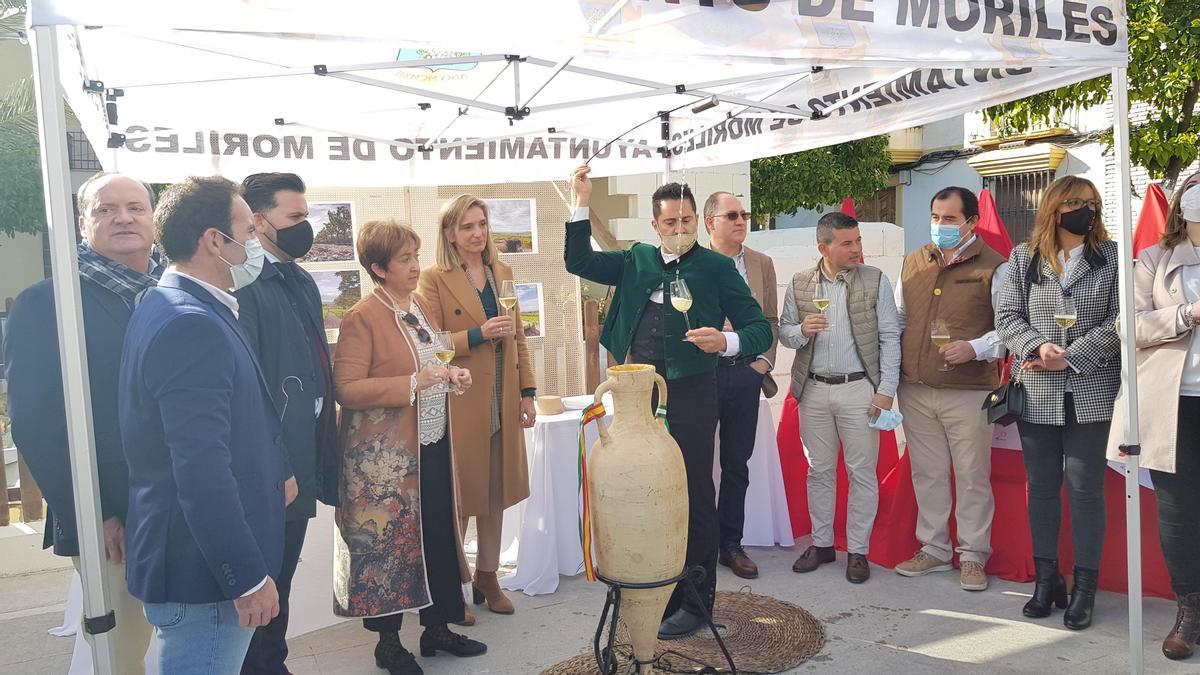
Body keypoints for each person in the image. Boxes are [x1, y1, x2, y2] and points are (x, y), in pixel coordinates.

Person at [565, 166, 772, 639]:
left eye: (688, 221)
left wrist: (728, 343)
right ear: (655, 226)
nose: (681, 231)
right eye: (672, 223)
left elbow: (760, 327)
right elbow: (579, 262)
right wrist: (581, 202)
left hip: (694, 390)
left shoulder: (716, 267)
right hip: (637, 392)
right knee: (646, 489)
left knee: (693, 489)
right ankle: (654, 588)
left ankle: (696, 600)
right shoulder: (636, 259)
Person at [119, 176, 294, 672]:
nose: (258, 243)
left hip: (197, 568)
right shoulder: (189, 322)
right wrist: (244, 577)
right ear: (216, 240)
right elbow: (200, 468)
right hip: (204, 578)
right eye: (249, 231)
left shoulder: (180, 305)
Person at [4, 173, 158, 673]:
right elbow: (37, 425)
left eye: (135, 207)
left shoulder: (172, 293)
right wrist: (93, 514)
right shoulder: (47, 303)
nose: (123, 218)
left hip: (179, 505)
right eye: (105, 209)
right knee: (121, 652)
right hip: (109, 519)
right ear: (81, 223)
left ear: (153, 219)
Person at [334, 219, 485, 675]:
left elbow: (433, 354)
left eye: (416, 256)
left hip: (431, 443)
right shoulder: (362, 316)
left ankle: (436, 628)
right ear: (378, 268)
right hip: (387, 465)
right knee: (390, 547)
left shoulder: (417, 304)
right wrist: (412, 383)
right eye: (405, 260)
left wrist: (450, 375)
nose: (416, 266)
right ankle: (388, 644)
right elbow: (347, 389)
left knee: (437, 536)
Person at [995, 175, 1120, 630]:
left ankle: (1085, 587)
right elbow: (1008, 316)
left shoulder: (1110, 258)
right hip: (1037, 389)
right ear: (1054, 206)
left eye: (1092, 203)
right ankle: (1046, 580)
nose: (1085, 210)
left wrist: (1072, 356)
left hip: (1090, 388)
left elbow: (1119, 319)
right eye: (1075, 202)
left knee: (1086, 490)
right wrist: (1037, 346)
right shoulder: (1024, 257)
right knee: (1042, 488)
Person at [234, 172, 340, 674]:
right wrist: (276, 464)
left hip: (302, 456)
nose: (305, 227)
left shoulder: (298, 280)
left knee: (283, 582)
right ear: (258, 221)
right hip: (270, 470)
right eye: (294, 218)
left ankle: (274, 664)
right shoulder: (245, 287)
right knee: (264, 585)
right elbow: (249, 389)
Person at [417, 194, 536, 622]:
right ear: (450, 232)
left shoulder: (502, 271)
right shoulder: (432, 278)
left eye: (482, 224)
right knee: (463, 497)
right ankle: (452, 588)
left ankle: (488, 576)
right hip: (462, 399)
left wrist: (528, 391)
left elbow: (519, 337)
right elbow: (430, 345)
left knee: (497, 494)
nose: (477, 233)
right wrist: (478, 334)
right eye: (467, 226)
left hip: (503, 396)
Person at [893, 187, 1007, 592]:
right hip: (916, 387)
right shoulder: (913, 262)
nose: (940, 226)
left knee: (972, 474)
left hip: (969, 390)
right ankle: (935, 549)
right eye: (936, 218)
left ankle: (973, 555)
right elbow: (899, 320)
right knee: (928, 473)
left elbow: (1009, 329)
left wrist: (975, 348)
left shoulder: (995, 267)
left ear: (972, 223)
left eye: (949, 219)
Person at [779, 211, 901, 585]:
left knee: (862, 472)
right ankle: (822, 544)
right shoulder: (800, 283)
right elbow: (784, 333)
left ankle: (859, 551)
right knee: (819, 470)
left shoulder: (874, 280)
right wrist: (802, 329)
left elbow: (890, 337)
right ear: (824, 247)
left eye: (858, 240)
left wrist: (885, 392)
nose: (857, 249)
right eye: (847, 243)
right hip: (813, 388)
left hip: (858, 388)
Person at [1109, 173, 1200, 659]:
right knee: (1179, 510)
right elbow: (1131, 325)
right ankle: (1190, 608)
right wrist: (1187, 315)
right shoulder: (1154, 258)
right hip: (1176, 398)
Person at [703, 191, 779, 580]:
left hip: (745, 373)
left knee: (737, 464)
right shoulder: (691, 263)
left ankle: (730, 545)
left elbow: (770, 320)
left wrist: (762, 364)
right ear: (709, 223)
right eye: (731, 215)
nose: (740, 221)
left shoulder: (761, 264)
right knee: (696, 465)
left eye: (744, 214)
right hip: (702, 375)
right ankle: (698, 546)